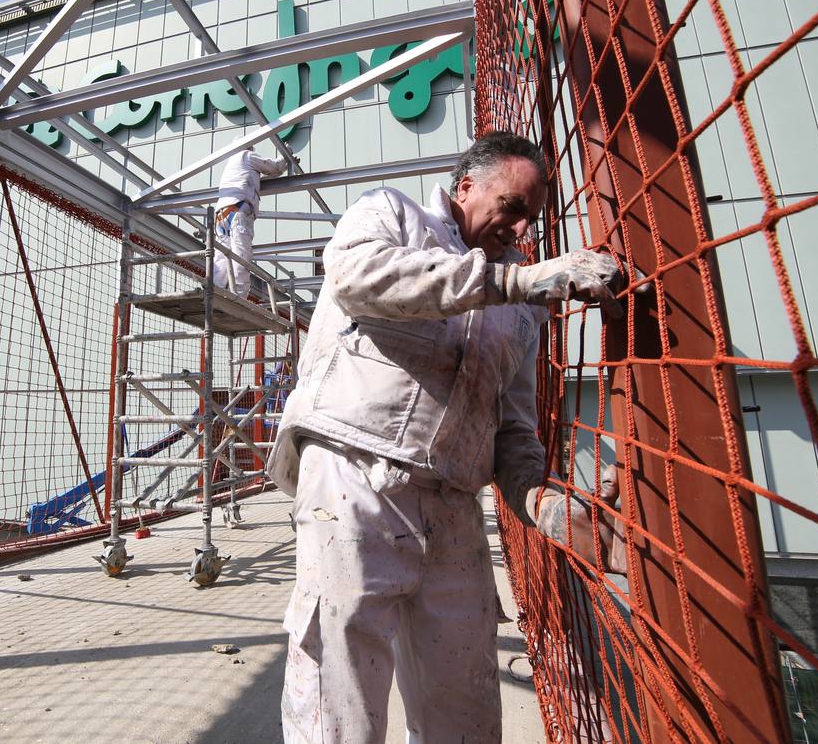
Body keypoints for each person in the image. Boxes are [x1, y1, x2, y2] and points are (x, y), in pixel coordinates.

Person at [266, 130, 632, 744]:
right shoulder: (391, 215)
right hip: (354, 477)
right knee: (341, 696)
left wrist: (537, 499)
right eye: (512, 207)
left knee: (464, 701)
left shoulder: (523, 304)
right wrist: (516, 282)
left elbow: (512, 423)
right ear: (465, 186)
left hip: (455, 503)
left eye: (530, 218)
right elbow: (358, 277)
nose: (520, 230)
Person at [212, 147, 289, 296]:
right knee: (241, 255)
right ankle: (239, 297)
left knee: (221, 258)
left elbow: (266, 176)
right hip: (239, 209)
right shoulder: (246, 155)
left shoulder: (233, 165)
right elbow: (272, 167)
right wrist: (286, 155)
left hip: (222, 214)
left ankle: (216, 293)